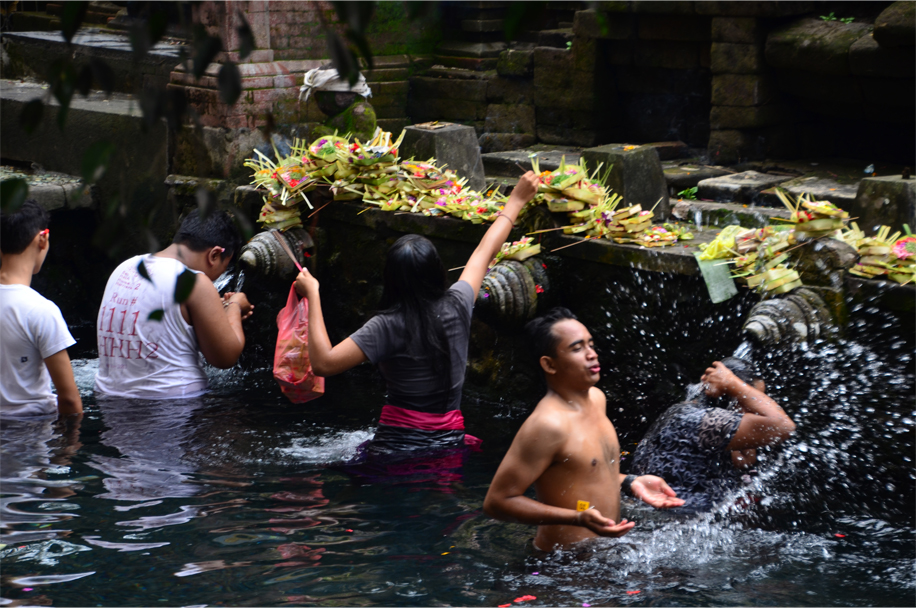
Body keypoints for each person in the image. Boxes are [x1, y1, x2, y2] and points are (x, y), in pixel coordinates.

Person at [293, 172, 540, 455]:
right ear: (437, 271)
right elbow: (485, 251)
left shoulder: (387, 325)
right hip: (447, 447)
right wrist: (516, 201)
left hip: (394, 451)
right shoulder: (458, 303)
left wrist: (313, 293)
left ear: (390, 279)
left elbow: (323, 364)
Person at [483, 308, 684, 552]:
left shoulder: (597, 399)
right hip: (562, 563)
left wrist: (631, 482)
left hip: (607, 553)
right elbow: (497, 501)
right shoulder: (547, 424)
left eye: (591, 344)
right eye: (577, 348)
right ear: (549, 364)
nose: (592, 354)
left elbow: (586, 473)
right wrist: (576, 518)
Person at [95, 209, 253, 399]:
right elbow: (225, 357)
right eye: (224, 267)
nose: (218, 276)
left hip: (109, 400)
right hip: (174, 406)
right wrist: (234, 305)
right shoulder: (194, 282)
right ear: (214, 254)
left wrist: (213, 307)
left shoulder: (126, 267)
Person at [628, 357, 796, 510]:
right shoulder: (703, 420)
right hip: (677, 521)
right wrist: (733, 383)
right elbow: (783, 426)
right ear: (727, 394)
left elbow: (744, 461)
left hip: (671, 517)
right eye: (749, 400)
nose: (756, 411)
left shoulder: (688, 412)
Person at [1, 200, 82, 418]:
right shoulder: (40, 310)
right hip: (32, 429)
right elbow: (69, 399)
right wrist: (69, 440)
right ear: (42, 238)